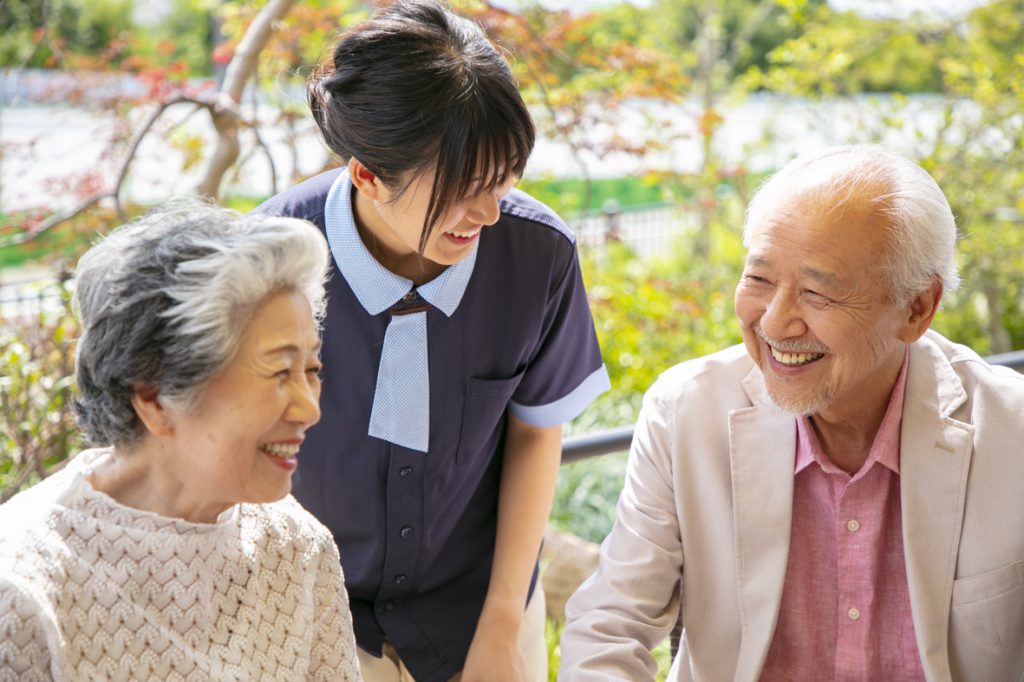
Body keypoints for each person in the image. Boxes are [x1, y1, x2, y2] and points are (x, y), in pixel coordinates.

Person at [559, 145, 1024, 681]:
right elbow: (611, 624)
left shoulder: (1009, 432)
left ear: (917, 309)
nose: (776, 324)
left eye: (815, 293)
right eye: (758, 280)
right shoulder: (686, 412)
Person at [253, 1, 609, 680]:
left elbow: (536, 434)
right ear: (366, 175)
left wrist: (504, 625)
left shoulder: (538, 257)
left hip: (482, 604)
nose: (491, 211)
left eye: (505, 178)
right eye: (465, 190)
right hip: (313, 608)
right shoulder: (269, 258)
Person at [0, 201, 362, 681]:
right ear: (154, 398)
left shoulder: (297, 546)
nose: (309, 408)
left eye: (311, 370)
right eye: (278, 371)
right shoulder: (21, 590)